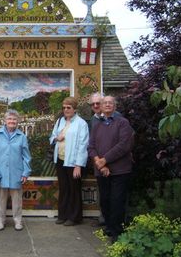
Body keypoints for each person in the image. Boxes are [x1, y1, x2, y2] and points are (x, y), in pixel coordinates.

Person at [88, 96, 134, 242]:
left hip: (120, 170)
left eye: (110, 103)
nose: (107, 105)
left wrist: (104, 160)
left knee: (117, 201)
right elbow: (91, 147)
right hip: (102, 170)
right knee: (105, 201)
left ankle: (117, 232)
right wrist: (99, 163)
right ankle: (109, 226)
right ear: (100, 107)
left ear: (114, 106)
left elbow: (124, 145)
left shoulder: (122, 122)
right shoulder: (97, 125)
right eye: (104, 103)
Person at [0, 109, 31, 231]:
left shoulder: (22, 137)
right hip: (0, 173)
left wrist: (26, 172)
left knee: (17, 200)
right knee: (1, 199)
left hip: (16, 172)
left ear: (18, 121)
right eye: (9, 119)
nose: (12, 121)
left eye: (14, 119)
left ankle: (18, 221)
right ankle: (1, 221)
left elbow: (26, 157)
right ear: (5, 121)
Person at [49, 97, 89, 226]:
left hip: (73, 162)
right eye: (64, 107)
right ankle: (63, 215)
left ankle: (74, 217)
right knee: (64, 188)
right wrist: (56, 138)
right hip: (60, 160)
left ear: (74, 109)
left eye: (68, 107)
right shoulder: (60, 121)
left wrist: (78, 165)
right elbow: (52, 137)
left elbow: (83, 145)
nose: (66, 110)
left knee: (74, 189)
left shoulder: (81, 123)